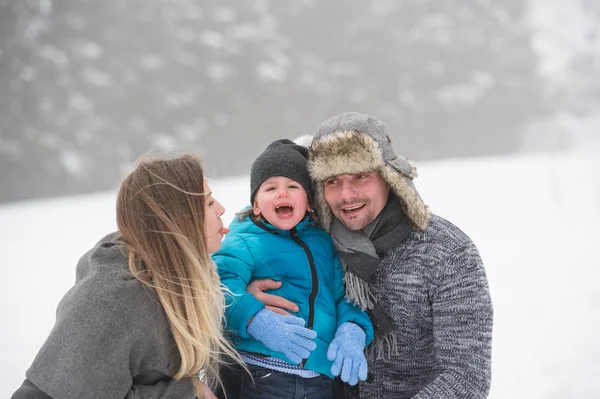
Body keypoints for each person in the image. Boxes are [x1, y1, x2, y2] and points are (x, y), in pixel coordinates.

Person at [248, 112, 494, 398]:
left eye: (361, 176)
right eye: (332, 181)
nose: (346, 195)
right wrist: (246, 296)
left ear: (389, 178)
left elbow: (466, 376)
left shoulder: (446, 251)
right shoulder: (311, 244)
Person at [12, 153, 244, 399]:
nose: (221, 209)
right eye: (208, 203)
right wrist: (185, 392)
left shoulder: (178, 276)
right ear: (177, 219)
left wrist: (247, 293)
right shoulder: (115, 300)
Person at [212, 139, 375, 399]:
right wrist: (258, 321)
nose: (282, 193)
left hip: (318, 380)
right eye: (270, 187)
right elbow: (219, 287)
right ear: (255, 204)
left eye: (293, 186)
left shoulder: (323, 241)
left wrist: (352, 330)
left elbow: (342, 294)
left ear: (309, 202)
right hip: (261, 372)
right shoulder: (244, 238)